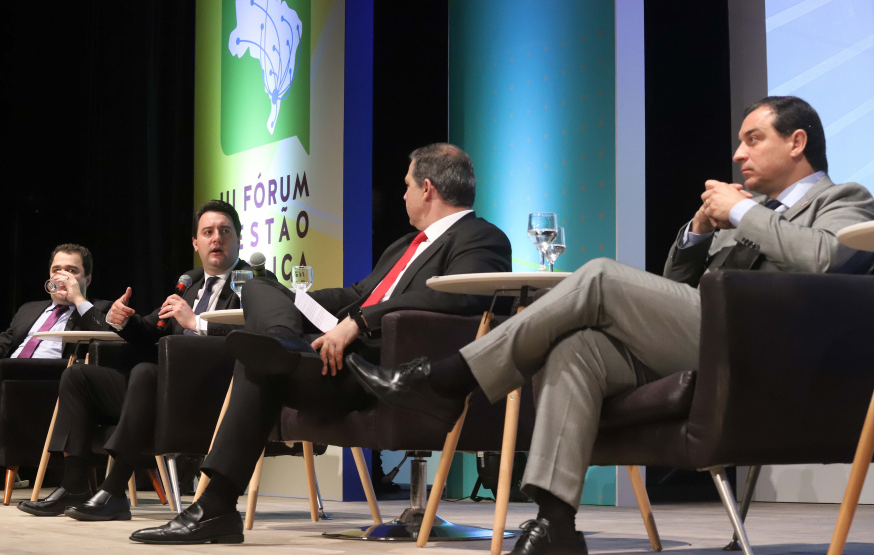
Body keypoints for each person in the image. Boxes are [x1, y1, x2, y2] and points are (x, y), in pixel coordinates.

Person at [344, 96, 874, 555]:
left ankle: (450, 379)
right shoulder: (750, 209)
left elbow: (827, 260)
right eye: (739, 142)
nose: (738, 154)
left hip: (767, 347)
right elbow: (679, 285)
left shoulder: (844, 198)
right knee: (577, 348)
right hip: (708, 338)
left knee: (597, 276)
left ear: (797, 141)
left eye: (753, 140)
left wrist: (742, 214)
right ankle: (556, 523)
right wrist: (695, 231)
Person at [128, 142, 512, 544]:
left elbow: (458, 296)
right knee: (258, 289)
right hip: (334, 358)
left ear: (428, 188)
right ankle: (282, 344)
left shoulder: (480, 237)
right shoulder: (404, 246)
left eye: (407, 186)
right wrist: (293, 299)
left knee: (259, 361)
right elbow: (356, 293)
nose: (403, 195)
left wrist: (359, 322)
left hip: (384, 369)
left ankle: (216, 506)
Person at [17, 200, 255, 519]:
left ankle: (114, 490)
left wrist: (197, 323)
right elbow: (148, 333)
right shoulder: (189, 289)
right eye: (208, 232)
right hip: (162, 393)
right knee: (79, 377)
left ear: (239, 239)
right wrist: (122, 320)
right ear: (196, 243)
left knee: (145, 373)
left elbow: (257, 334)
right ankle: (74, 485)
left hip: (214, 396)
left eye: (225, 231)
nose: (217, 238)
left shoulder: (252, 284)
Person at [0, 244, 109, 434]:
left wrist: (78, 299)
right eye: (56, 270)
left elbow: (107, 338)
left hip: (45, 380)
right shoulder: (28, 309)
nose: (62, 276)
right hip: (5, 374)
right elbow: (1, 350)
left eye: (72, 271)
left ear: (87, 280)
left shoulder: (99, 309)